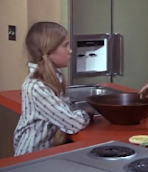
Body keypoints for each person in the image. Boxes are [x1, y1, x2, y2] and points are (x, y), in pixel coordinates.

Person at [13, 22, 94, 156]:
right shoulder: (36, 86)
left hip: (43, 155)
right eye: (65, 45)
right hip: (31, 157)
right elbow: (72, 123)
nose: (70, 50)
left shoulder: (55, 77)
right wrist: (86, 113)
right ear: (49, 52)